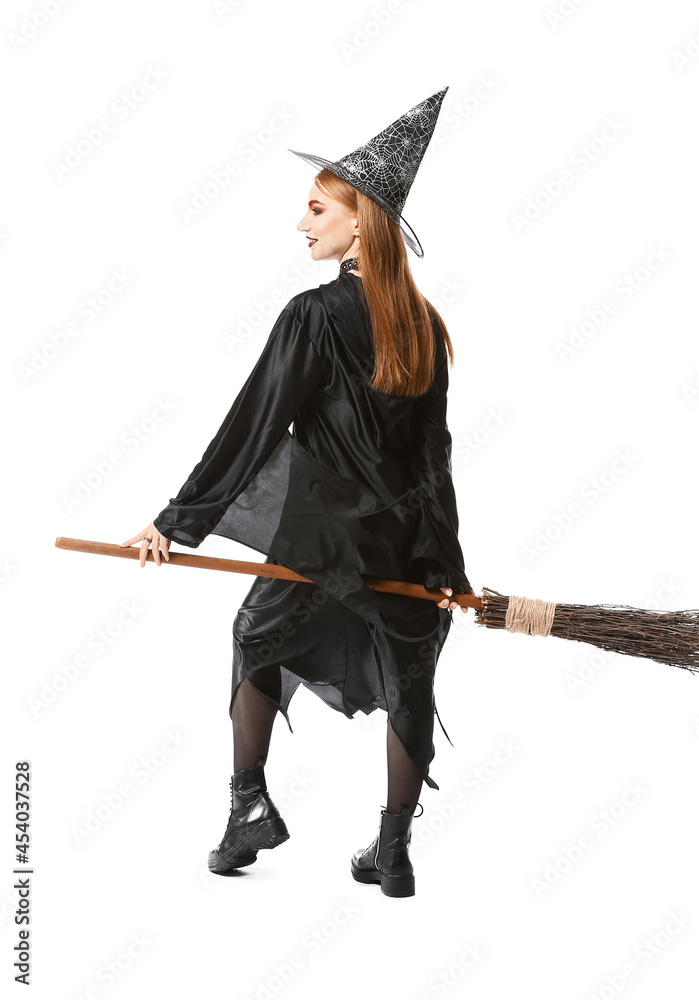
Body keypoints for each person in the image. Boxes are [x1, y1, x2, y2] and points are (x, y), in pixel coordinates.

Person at [120, 87, 474, 898]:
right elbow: (435, 459)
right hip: (403, 543)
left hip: (323, 540)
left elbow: (254, 423)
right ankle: (394, 852)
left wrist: (176, 522)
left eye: (317, 209)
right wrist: (445, 566)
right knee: (409, 676)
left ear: (362, 225)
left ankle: (248, 808)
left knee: (255, 637)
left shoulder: (313, 315)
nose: (301, 224)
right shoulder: (425, 324)